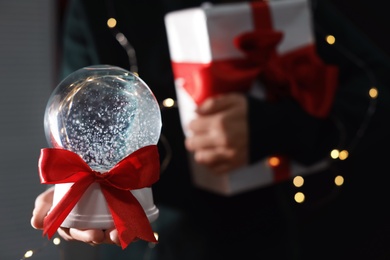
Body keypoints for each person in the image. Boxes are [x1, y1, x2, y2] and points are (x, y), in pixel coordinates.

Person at [31, 0, 390, 259]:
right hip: (140, 245)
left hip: (266, 238)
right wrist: (76, 195)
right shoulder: (95, 9)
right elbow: (77, 129)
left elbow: (377, 89)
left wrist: (271, 126)